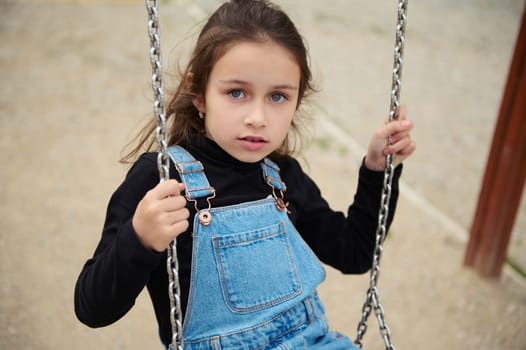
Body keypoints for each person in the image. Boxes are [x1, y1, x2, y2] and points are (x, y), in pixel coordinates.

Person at [74, 0, 416, 349]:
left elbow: (356, 253)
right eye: (237, 93)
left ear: (297, 101)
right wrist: (139, 239)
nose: (258, 117)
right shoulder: (160, 179)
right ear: (200, 93)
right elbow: (92, 308)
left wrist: (378, 171)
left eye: (278, 97)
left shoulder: (282, 177)